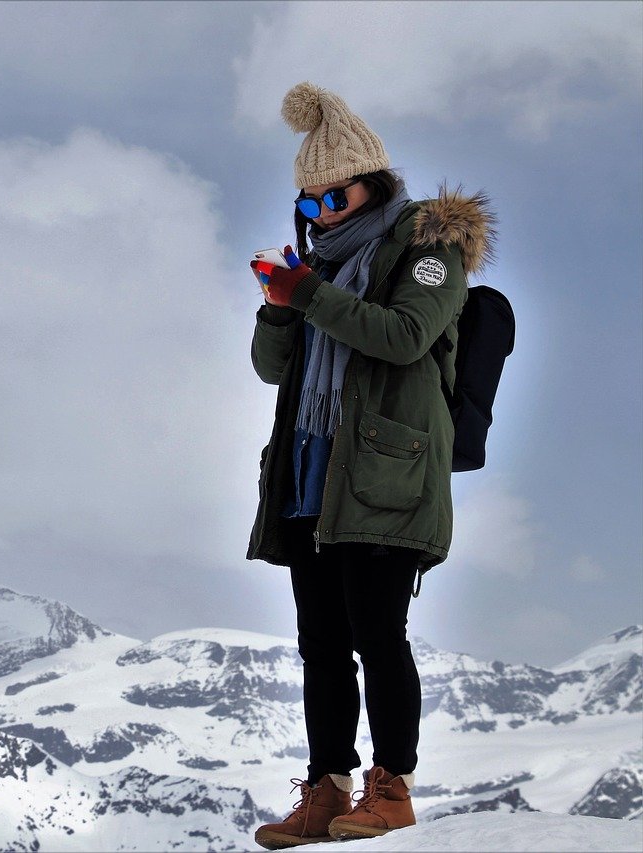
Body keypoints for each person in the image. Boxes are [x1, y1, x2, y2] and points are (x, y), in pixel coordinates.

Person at [247, 82, 496, 849]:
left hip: (387, 474)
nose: (324, 213)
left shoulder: (429, 250)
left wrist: (310, 293)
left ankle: (392, 787)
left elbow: (400, 337)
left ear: (375, 184)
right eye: (311, 201)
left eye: (336, 195)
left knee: (377, 632)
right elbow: (268, 368)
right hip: (312, 473)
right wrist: (279, 306)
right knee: (319, 641)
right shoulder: (320, 266)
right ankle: (328, 788)